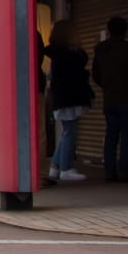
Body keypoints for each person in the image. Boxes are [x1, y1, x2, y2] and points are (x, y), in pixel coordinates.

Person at [92, 16, 128, 182]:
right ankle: (124, 170)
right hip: (127, 97)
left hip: (110, 98)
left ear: (108, 30)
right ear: (125, 31)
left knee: (111, 133)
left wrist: (107, 85)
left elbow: (96, 75)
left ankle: (109, 171)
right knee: (127, 134)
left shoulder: (100, 49)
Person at [43, 20, 93, 183]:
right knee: (70, 132)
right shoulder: (68, 55)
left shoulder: (58, 54)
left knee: (67, 132)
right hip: (69, 98)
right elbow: (74, 73)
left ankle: (56, 167)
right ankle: (66, 168)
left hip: (63, 98)